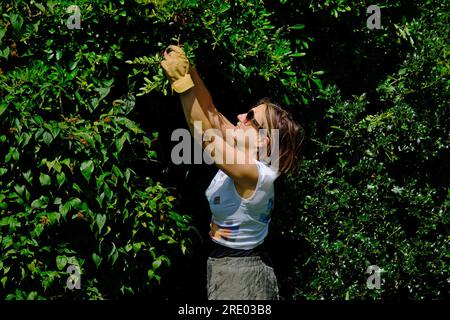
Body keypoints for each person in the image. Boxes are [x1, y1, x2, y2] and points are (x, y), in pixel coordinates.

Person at [161, 45, 304, 300]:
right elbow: (211, 112)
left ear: (263, 141)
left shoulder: (256, 175)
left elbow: (206, 138)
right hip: (232, 269)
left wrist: (182, 83)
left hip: (241, 277)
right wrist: (190, 69)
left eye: (251, 117)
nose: (240, 116)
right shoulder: (246, 154)